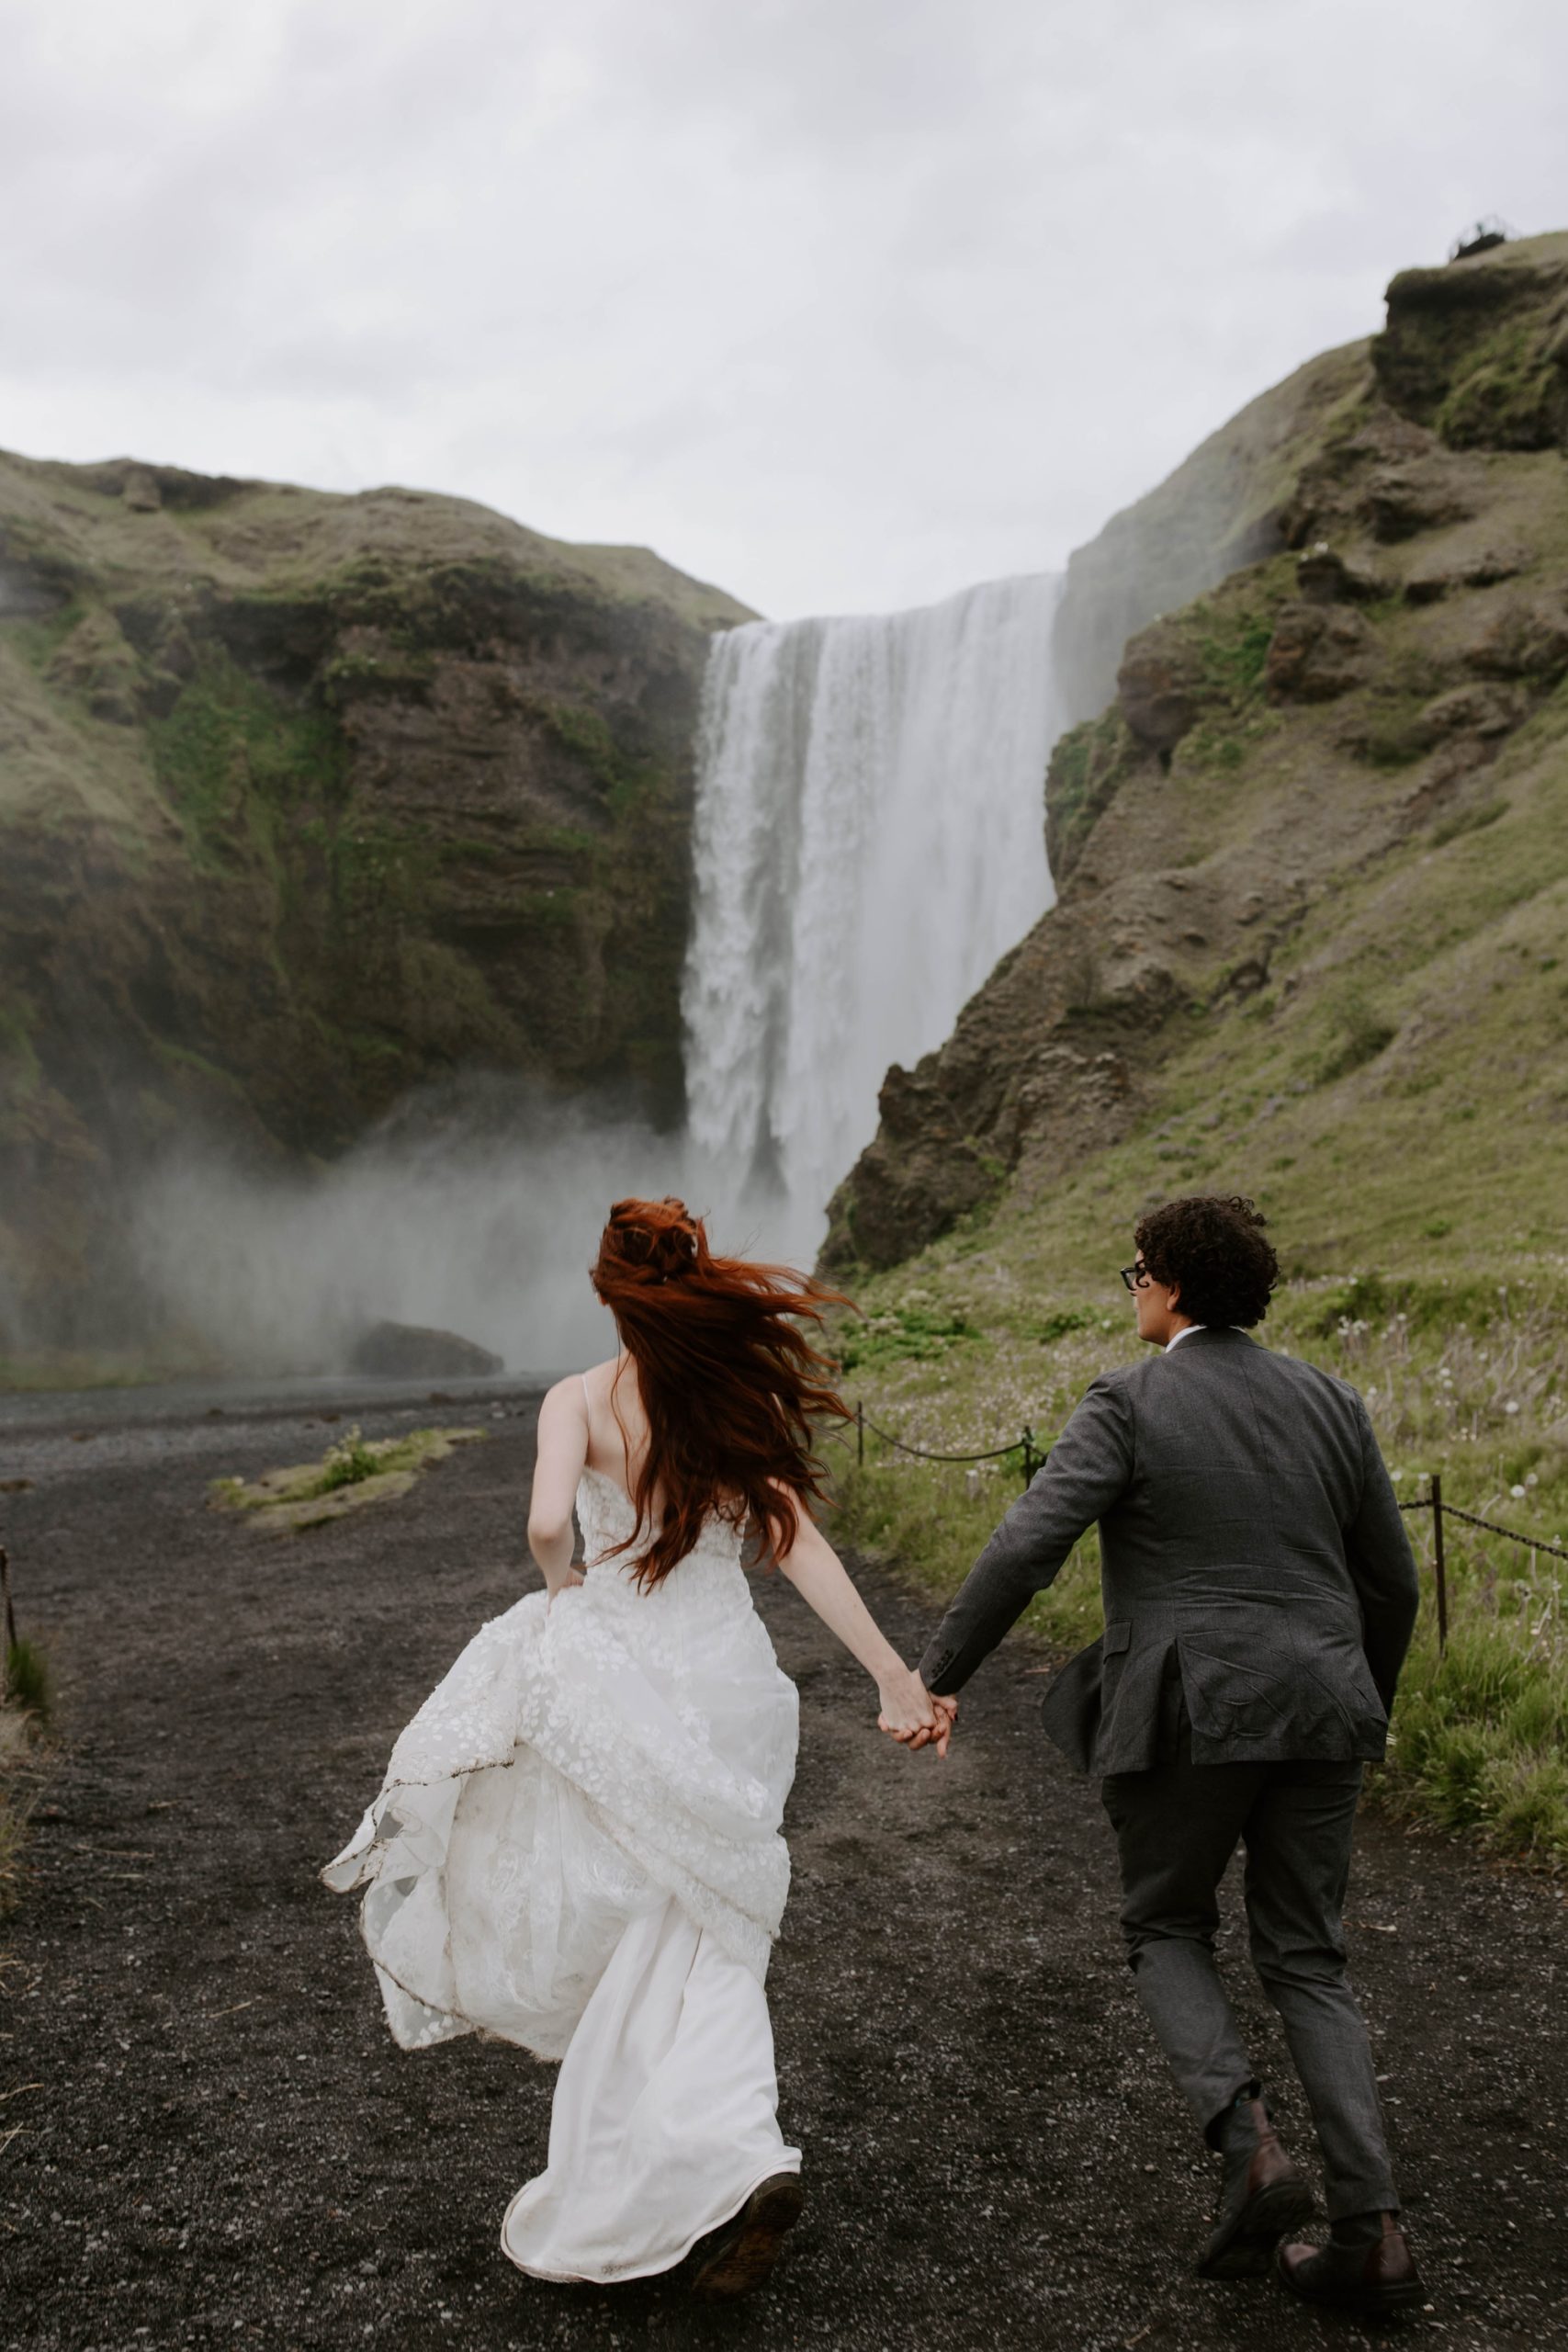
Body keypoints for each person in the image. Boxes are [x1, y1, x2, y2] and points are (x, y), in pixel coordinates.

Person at [323, 1196, 943, 2299]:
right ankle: (723, 2152)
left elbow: (546, 1526)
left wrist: (568, 1597)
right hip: (728, 1678)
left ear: (608, 1290)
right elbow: (798, 1545)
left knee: (655, 1913)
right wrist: (892, 1675)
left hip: (622, 1669)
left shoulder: (577, 1398)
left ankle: (713, 2164)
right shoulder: (728, 1398)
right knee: (716, 1915)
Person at [901, 1194, 1426, 2321]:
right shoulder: (1334, 1402)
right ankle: (1375, 2235)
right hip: (1327, 1705)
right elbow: (1394, 1583)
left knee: (1166, 1922)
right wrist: (1355, 1703)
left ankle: (1250, 2150)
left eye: (1134, 1270)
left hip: (1189, 1709)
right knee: (1308, 1957)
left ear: (1173, 1285)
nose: (1130, 1288)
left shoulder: (1129, 1399)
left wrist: (939, 1672)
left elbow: (1030, 1540)